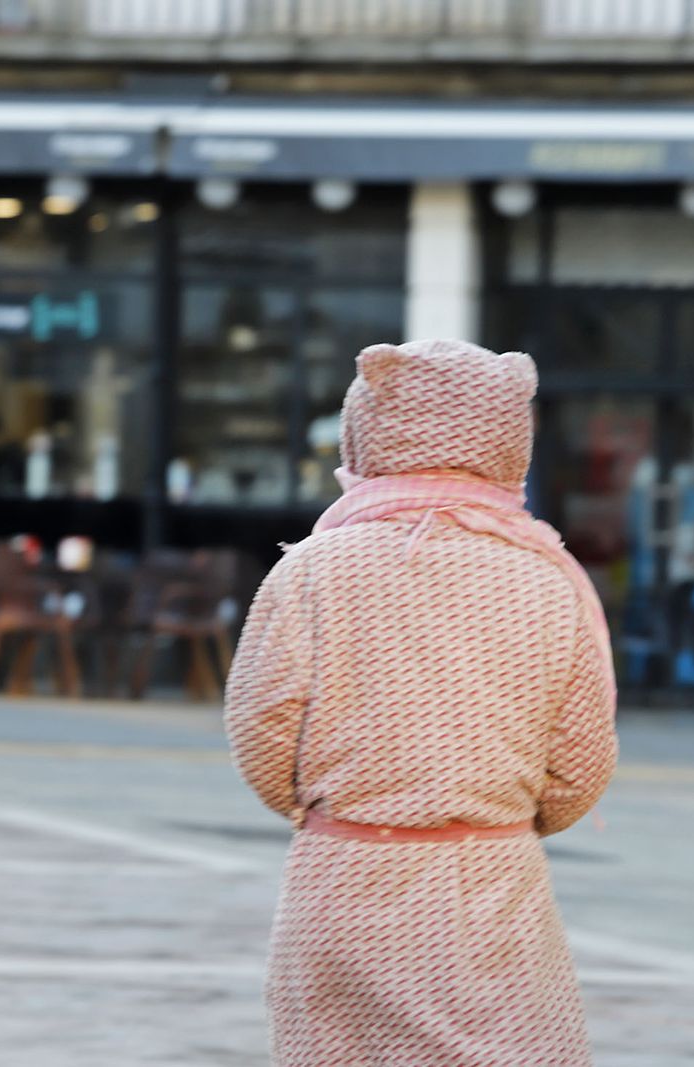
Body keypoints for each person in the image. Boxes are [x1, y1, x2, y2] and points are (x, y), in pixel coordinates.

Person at [225, 340, 618, 1066]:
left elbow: (263, 730)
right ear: (508, 439)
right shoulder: (548, 578)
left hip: (343, 876)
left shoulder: (308, 570)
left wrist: (328, 808)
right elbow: (579, 766)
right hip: (495, 893)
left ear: (366, 429)